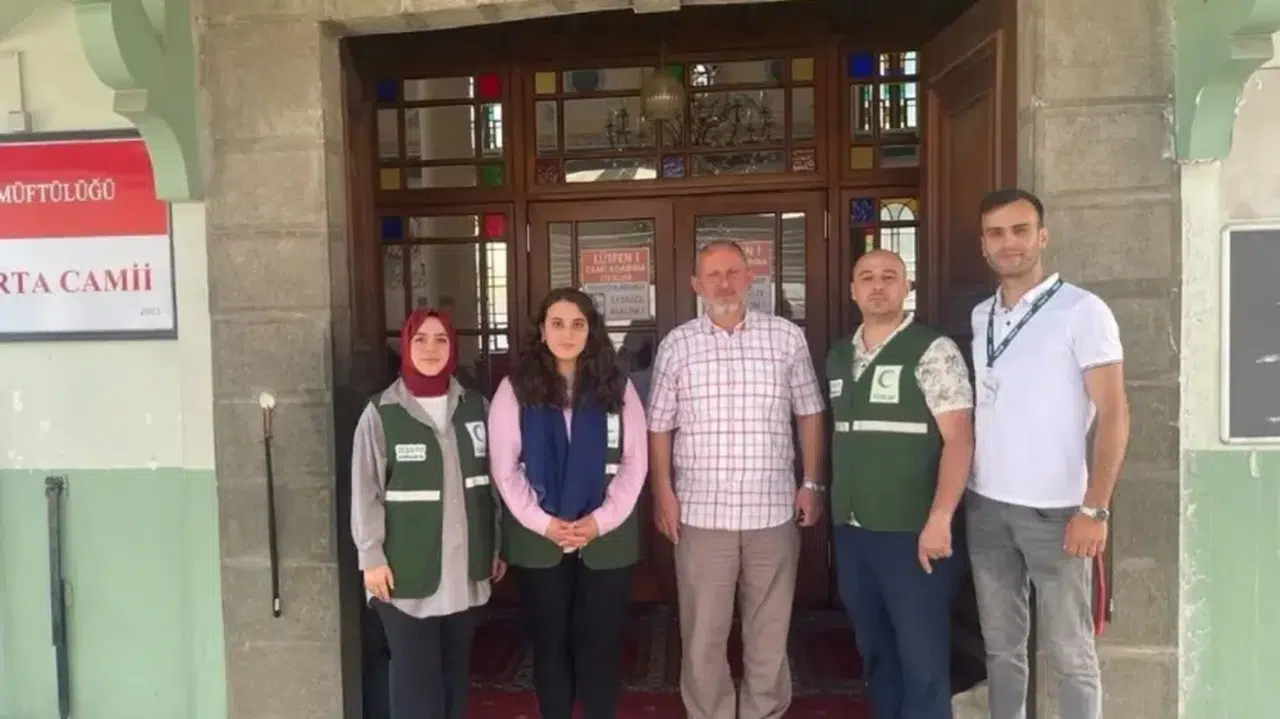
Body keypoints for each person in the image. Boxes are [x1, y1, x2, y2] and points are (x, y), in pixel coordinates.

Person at [967, 188, 1130, 719]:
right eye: (996, 233)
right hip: (986, 506)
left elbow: (1114, 413)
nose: (1008, 243)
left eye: (1020, 230)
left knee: (1071, 654)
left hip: (1058, 513)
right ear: (983, 244)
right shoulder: (981, 315)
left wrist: (1094, 508)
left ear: (1042, 236)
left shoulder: (1082, 311)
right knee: (1001, 649)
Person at [648, 240, 826, 719]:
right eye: (713, 275)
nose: (724, 283)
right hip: (701, 513)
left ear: (750, 278)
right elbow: (659, 424)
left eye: (733, 272)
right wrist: (663, 490)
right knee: (703, 633)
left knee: (769, 630)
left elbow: (809, 411)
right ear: (696, 285)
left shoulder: (786, 338)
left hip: (772, 511)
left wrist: (811, 482)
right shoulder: (678, 344)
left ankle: (763, 712)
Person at [826, 249, 975, 719]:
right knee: (875, 649)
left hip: (913, 533)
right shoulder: (839, 355)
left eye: (889, 276)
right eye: (867, 277)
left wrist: (940, 518)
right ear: (853, 291)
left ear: (907, 287)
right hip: (853, 531)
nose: (877, 285)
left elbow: (960, 440)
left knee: (921, 655)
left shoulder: (933, 350)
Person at [487, 288, 648, 719]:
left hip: (606, 538)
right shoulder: (514, 390)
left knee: (600, 646)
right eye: (557, 323)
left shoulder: (618, 387)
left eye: (578, 324)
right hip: (539, 539)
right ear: (541, 330)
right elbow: (505, 468)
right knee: (551, 645)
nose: (567, 334)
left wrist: (600, 521)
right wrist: (543, 523)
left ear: (591, 330)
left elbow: (635, 463)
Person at [350, 308, 506, 719]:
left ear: (453, 347)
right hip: (403, 573)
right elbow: (365, 491)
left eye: (441, 339)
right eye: (420, 339)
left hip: (464, 569)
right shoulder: (381, 412)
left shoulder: (477, 407)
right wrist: (371, 557)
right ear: (406, 346)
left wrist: (496, 545)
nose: (431, 348)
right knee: (415, 682)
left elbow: (492, 484)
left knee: (454, 677)